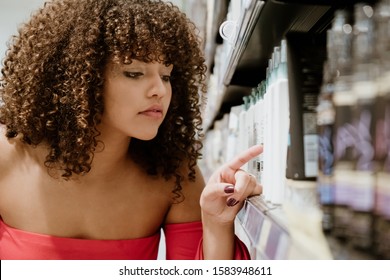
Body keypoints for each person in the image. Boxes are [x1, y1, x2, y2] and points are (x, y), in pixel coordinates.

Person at [0, 0, 262, 260]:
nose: (159, 90)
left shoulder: (175, 174)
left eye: (167, 75)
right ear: (80, 78)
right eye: (135, 73)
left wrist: (216, 223)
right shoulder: (7, 157)